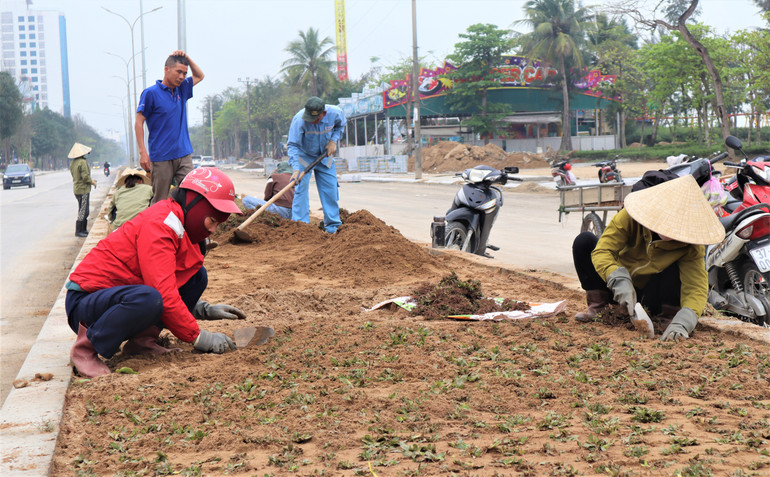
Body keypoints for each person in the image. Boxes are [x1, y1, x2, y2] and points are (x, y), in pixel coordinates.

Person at [65, 167, 247, 378]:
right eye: (212, 221)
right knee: (150, 298)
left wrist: (201, 308)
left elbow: (168, 279)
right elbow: (162, 291)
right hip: (86, 302)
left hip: (121, 296)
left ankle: (143, 342)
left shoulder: (178, 225)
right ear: (194, 205)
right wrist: (198, 337)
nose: (213, 230)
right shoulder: (160, 224)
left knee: (197, 277)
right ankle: (86, 350)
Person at [571, 174, 725, 341]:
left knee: (674, 267)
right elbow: (603, 251)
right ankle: (598, 308)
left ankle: (668, 317)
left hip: (651, 294)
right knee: (584, 241)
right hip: (616, 286)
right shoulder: (630, 217)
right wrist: (618, 278)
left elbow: (695, 287)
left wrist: (685, 321)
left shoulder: (691, 245)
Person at [135, 50, 204, 205]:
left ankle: (184, 228)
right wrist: (142, 152)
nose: (181, 77)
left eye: (184, 73)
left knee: (192, 195)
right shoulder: (150, 93)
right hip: (161, 157)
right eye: (178, 72)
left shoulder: (182, 89)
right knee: (160, 200)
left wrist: (187, 57)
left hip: (184, 154)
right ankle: (157, 227)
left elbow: (199, 75)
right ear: (167, 69)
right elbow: (139, 121)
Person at [287, 96, 346, 233]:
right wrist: (296, 169)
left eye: (315, 119)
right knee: (300, 187)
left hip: (325, 155)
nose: (312, 122)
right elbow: (293, 145)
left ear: (323, 113)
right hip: (304, 156)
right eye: (310, 119)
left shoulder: (336, 113)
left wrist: (333, 141)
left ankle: (332, 227)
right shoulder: (299, 120)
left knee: (330, 188)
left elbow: (340, 125)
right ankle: (301, 227)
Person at [68, 143, 97, 238]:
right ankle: (79, 230)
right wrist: (92, 182)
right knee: (84, 210)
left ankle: (83, 229)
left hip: (77, 189)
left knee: (82, 209)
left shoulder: (73, 163)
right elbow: (85, 177)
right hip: (83, 189)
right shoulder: (82, 162)